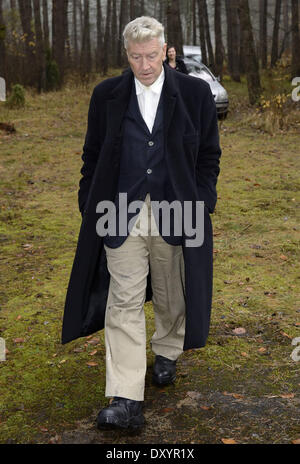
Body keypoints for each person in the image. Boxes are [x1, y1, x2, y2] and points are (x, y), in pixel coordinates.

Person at [61, 16, 221, 430]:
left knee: (172, 292)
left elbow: (208, 155)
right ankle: (126, 397)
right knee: (123, 300)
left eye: (151, 56)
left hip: (177, 210)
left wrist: (202, 202)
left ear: (165, 50)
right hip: (120, 212)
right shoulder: (107, 95)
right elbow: (92, 155)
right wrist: (88, 202)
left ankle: (167, 349)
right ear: (127, 55)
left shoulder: (194, 92)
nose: (145, 64)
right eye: (136, 57)